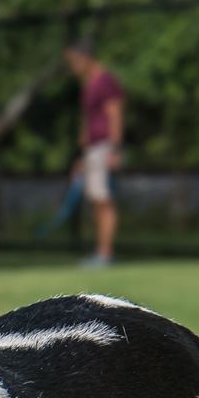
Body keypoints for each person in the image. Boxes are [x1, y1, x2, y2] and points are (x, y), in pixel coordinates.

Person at [64, 37, 124, 268]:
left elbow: (114, 114)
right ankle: (100, 251)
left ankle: (105, 253)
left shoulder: (105, 81)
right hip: (92, 150)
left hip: (103, 147)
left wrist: (115, 149)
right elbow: (87, 122)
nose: (72, 68)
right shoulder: (88, 84)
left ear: (86, 58)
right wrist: (81, 156)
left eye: (74, 62)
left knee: (103, 199)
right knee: (96, 200)